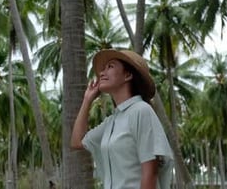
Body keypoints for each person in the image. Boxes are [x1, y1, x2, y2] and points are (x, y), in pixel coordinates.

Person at [71, 49, 174, 189]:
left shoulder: (141, 111)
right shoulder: (112, 121)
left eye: (110, 67)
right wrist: (87, 100)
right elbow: (77, 142)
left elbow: (150, 173)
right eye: (103, 69)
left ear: (128, 75)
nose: (101, 73)